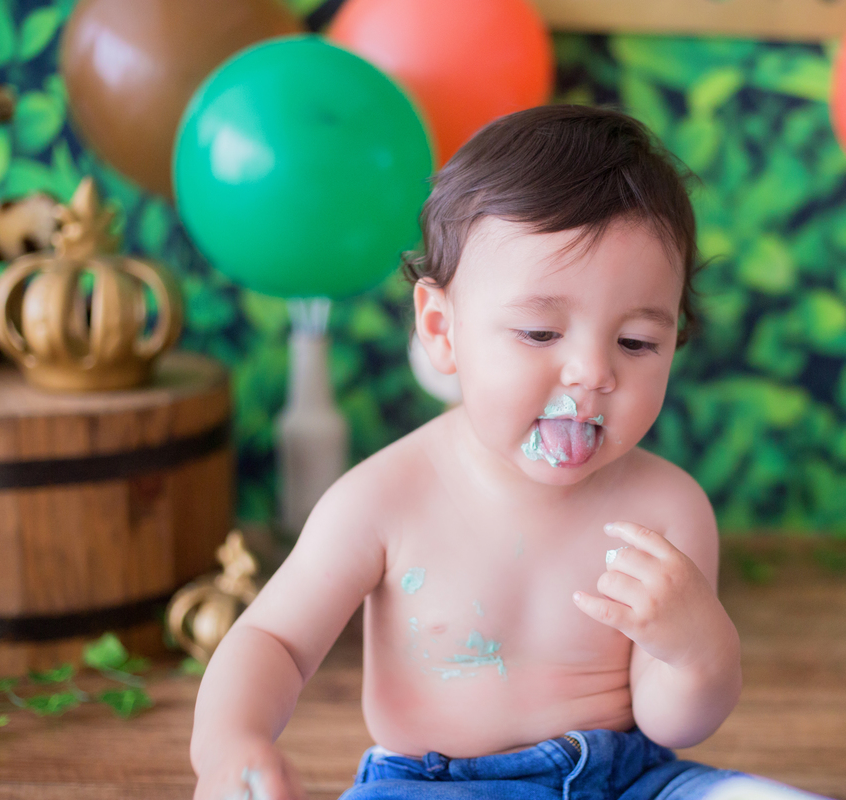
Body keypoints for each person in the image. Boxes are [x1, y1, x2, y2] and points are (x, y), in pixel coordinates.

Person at [191, 105, 770, 800]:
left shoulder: (667, 510)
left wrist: (700, 650)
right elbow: (274, 642)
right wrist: (233, 744)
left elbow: (668, 715)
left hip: (630, 779)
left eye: (637, 342)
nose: (592, 372)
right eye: (537, 332)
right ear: (442, 329)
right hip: (433, 785)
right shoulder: (385, 498)